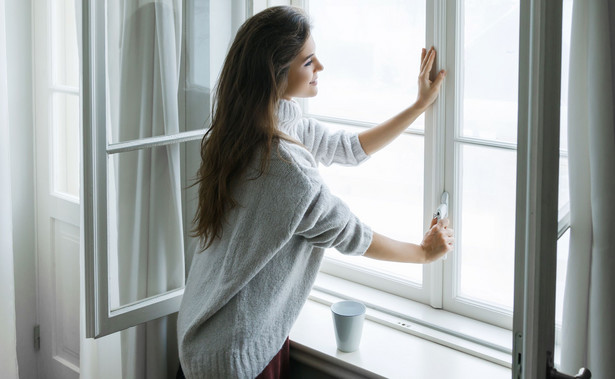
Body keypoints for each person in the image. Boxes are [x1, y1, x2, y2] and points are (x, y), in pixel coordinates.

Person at [177, 5, 452, 379]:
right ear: (274, 73)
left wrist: (418, 106)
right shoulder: (287, 171)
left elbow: (348, 148)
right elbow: (351, 234)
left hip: (203, 331)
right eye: (308, 61)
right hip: (233, 354)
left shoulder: (250, 125)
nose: (319, 67)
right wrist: (423, 254)